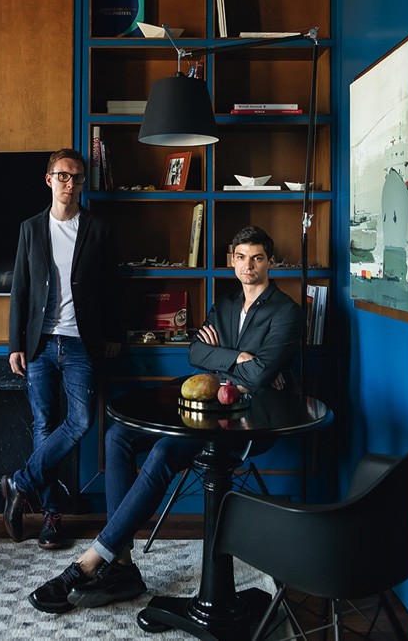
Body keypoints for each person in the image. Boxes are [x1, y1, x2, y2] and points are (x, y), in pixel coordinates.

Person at [28, 224, 304, 613]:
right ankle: (122, 564)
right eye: (241, 258)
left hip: (250, 421)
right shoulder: (225, 305)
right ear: (232, 261)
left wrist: (227, 359)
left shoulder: (287, 312)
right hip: (208, 409)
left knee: (161, 452)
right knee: (118, 436)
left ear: (269, 262)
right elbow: (196, 352)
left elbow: (259, 376)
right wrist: (239, 357)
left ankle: (92, 560)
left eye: (257, 258)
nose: (249, 266)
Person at [1, 148, 122, 550]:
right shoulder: (31, 229)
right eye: (63, 175)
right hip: (38, 343)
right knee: (43, 425)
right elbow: (20, 289)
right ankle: (51, 517)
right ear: (49, 179)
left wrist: (115, 333)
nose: (71, 183)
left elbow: (111, 286)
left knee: (81, 420)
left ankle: (20, 483)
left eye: (77, 177)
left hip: (81, 342)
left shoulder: (98, 229)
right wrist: (15, 343)